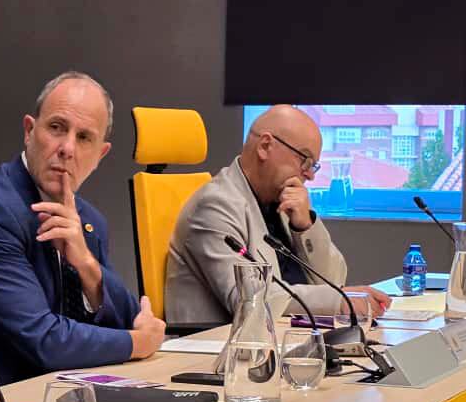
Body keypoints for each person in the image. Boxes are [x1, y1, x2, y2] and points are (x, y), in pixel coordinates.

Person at [0, 71, 165, 402]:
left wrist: (86, 263)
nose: (67, 148)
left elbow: (127, 318)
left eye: (84, 138)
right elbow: (44, 339)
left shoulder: (88, 220)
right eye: (56, 128)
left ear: (100, 154)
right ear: (29, 131)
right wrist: (137, 344)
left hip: (40, 396)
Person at [165, 104, 391, 324]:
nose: (310, 175)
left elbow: (335, 281)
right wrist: (340, 301)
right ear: (265, 146)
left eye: (313, 165)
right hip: (218, 350)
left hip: (283, 338)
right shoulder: (215, 206)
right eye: (305, 160)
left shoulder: (281, 201)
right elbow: (250, 299)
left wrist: (304, 228)